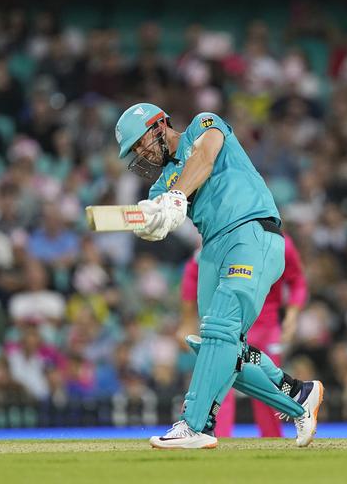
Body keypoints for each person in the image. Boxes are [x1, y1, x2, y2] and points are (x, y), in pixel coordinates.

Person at [114, 103, 323, 449]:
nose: (141, 153)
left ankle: (196, 424)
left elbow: (205, 157)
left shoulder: (202, 125)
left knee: (220, 331)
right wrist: (150, 221)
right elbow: (157, 217)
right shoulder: (162, 184)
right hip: (212, 249)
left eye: (140, 142)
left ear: (160, 125)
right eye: (134, 150)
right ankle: (297, 394)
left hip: (250, 231)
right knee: (219, 345)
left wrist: (176, 196)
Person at [180, 233, 307, 437]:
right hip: (230, 326)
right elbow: (193, 273)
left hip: (265, 328)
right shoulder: (224, 238)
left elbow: (297, 280)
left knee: (267, 386)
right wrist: (187, 320)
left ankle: (273, 441)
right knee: (221, 385)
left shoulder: (281, 244)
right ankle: (216, 439)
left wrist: (291, 316)